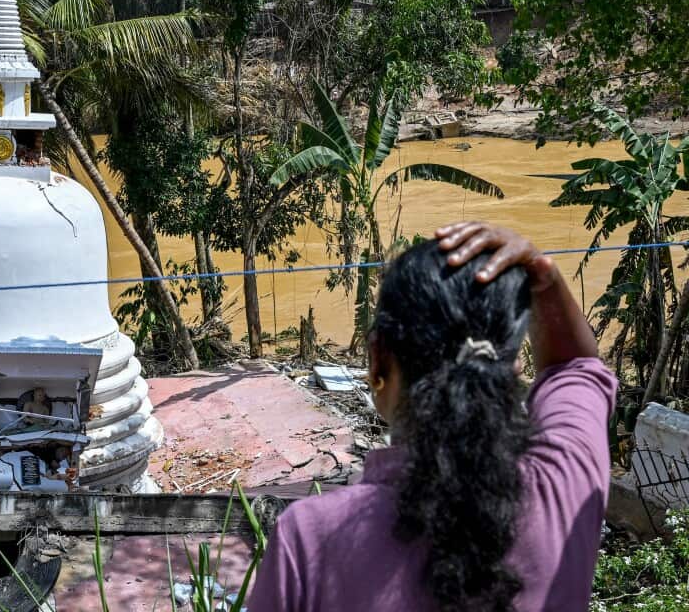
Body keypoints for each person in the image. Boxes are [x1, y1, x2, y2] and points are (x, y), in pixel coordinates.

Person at [249, 222, 615, 612]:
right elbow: (575, 366)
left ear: (377, 360)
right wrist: (544, 274)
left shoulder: (313, 537)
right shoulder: (563, 486)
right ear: (510, 368)